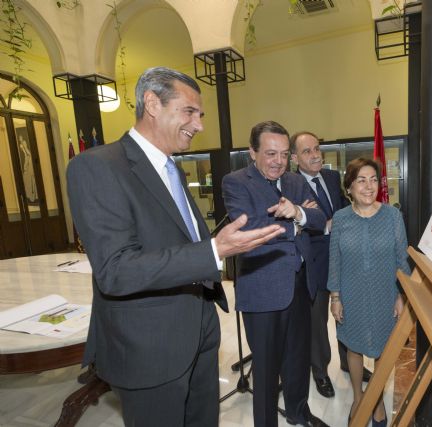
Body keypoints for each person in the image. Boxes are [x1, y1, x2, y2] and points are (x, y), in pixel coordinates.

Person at [66, 67, 284, 427]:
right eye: (190, 112)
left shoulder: (172, 168)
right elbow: (115, 270)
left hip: (199, 332)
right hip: (150, 346)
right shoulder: (95, 167)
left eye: (200, 115)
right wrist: (213, 252)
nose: (198, 125)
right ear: (151, 103)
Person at [222, 121, 329, 427]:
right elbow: (249, 228)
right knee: (267, 370)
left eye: (284, 154)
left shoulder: (295, 181)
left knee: (297, 360)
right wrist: (297, 221)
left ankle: (299, 412)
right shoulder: (236, 182)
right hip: (263, 289)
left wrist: (298, 212)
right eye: (270, 153)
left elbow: (320, 217)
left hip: (299, 285)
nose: (278, 162)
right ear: (252, 152)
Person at [328, 157, 410, 427]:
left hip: (384, 293)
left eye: (373, 180)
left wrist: (401, 294)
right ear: (349, 187)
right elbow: (335, 260)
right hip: (350, 294)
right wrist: (336, 297)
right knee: (353, 347)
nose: (368, 186)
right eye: (361, 180)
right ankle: (358, 396)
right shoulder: (340, 219)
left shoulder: (392, 216)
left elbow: (402, 259)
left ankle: (375, 401)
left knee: (381, 352)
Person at [290, 131, 371, 399]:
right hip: (314, 265)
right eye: (306, 151)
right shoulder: (290, 186)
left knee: (345, 315)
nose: (315, 155)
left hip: (343, 260)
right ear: (294, 158)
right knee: (317, 321)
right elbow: (295, 228)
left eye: (316, 149)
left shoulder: (332, 177)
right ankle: (320, 372)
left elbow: (343, 210)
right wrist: (323, 226)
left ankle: (351, 362)